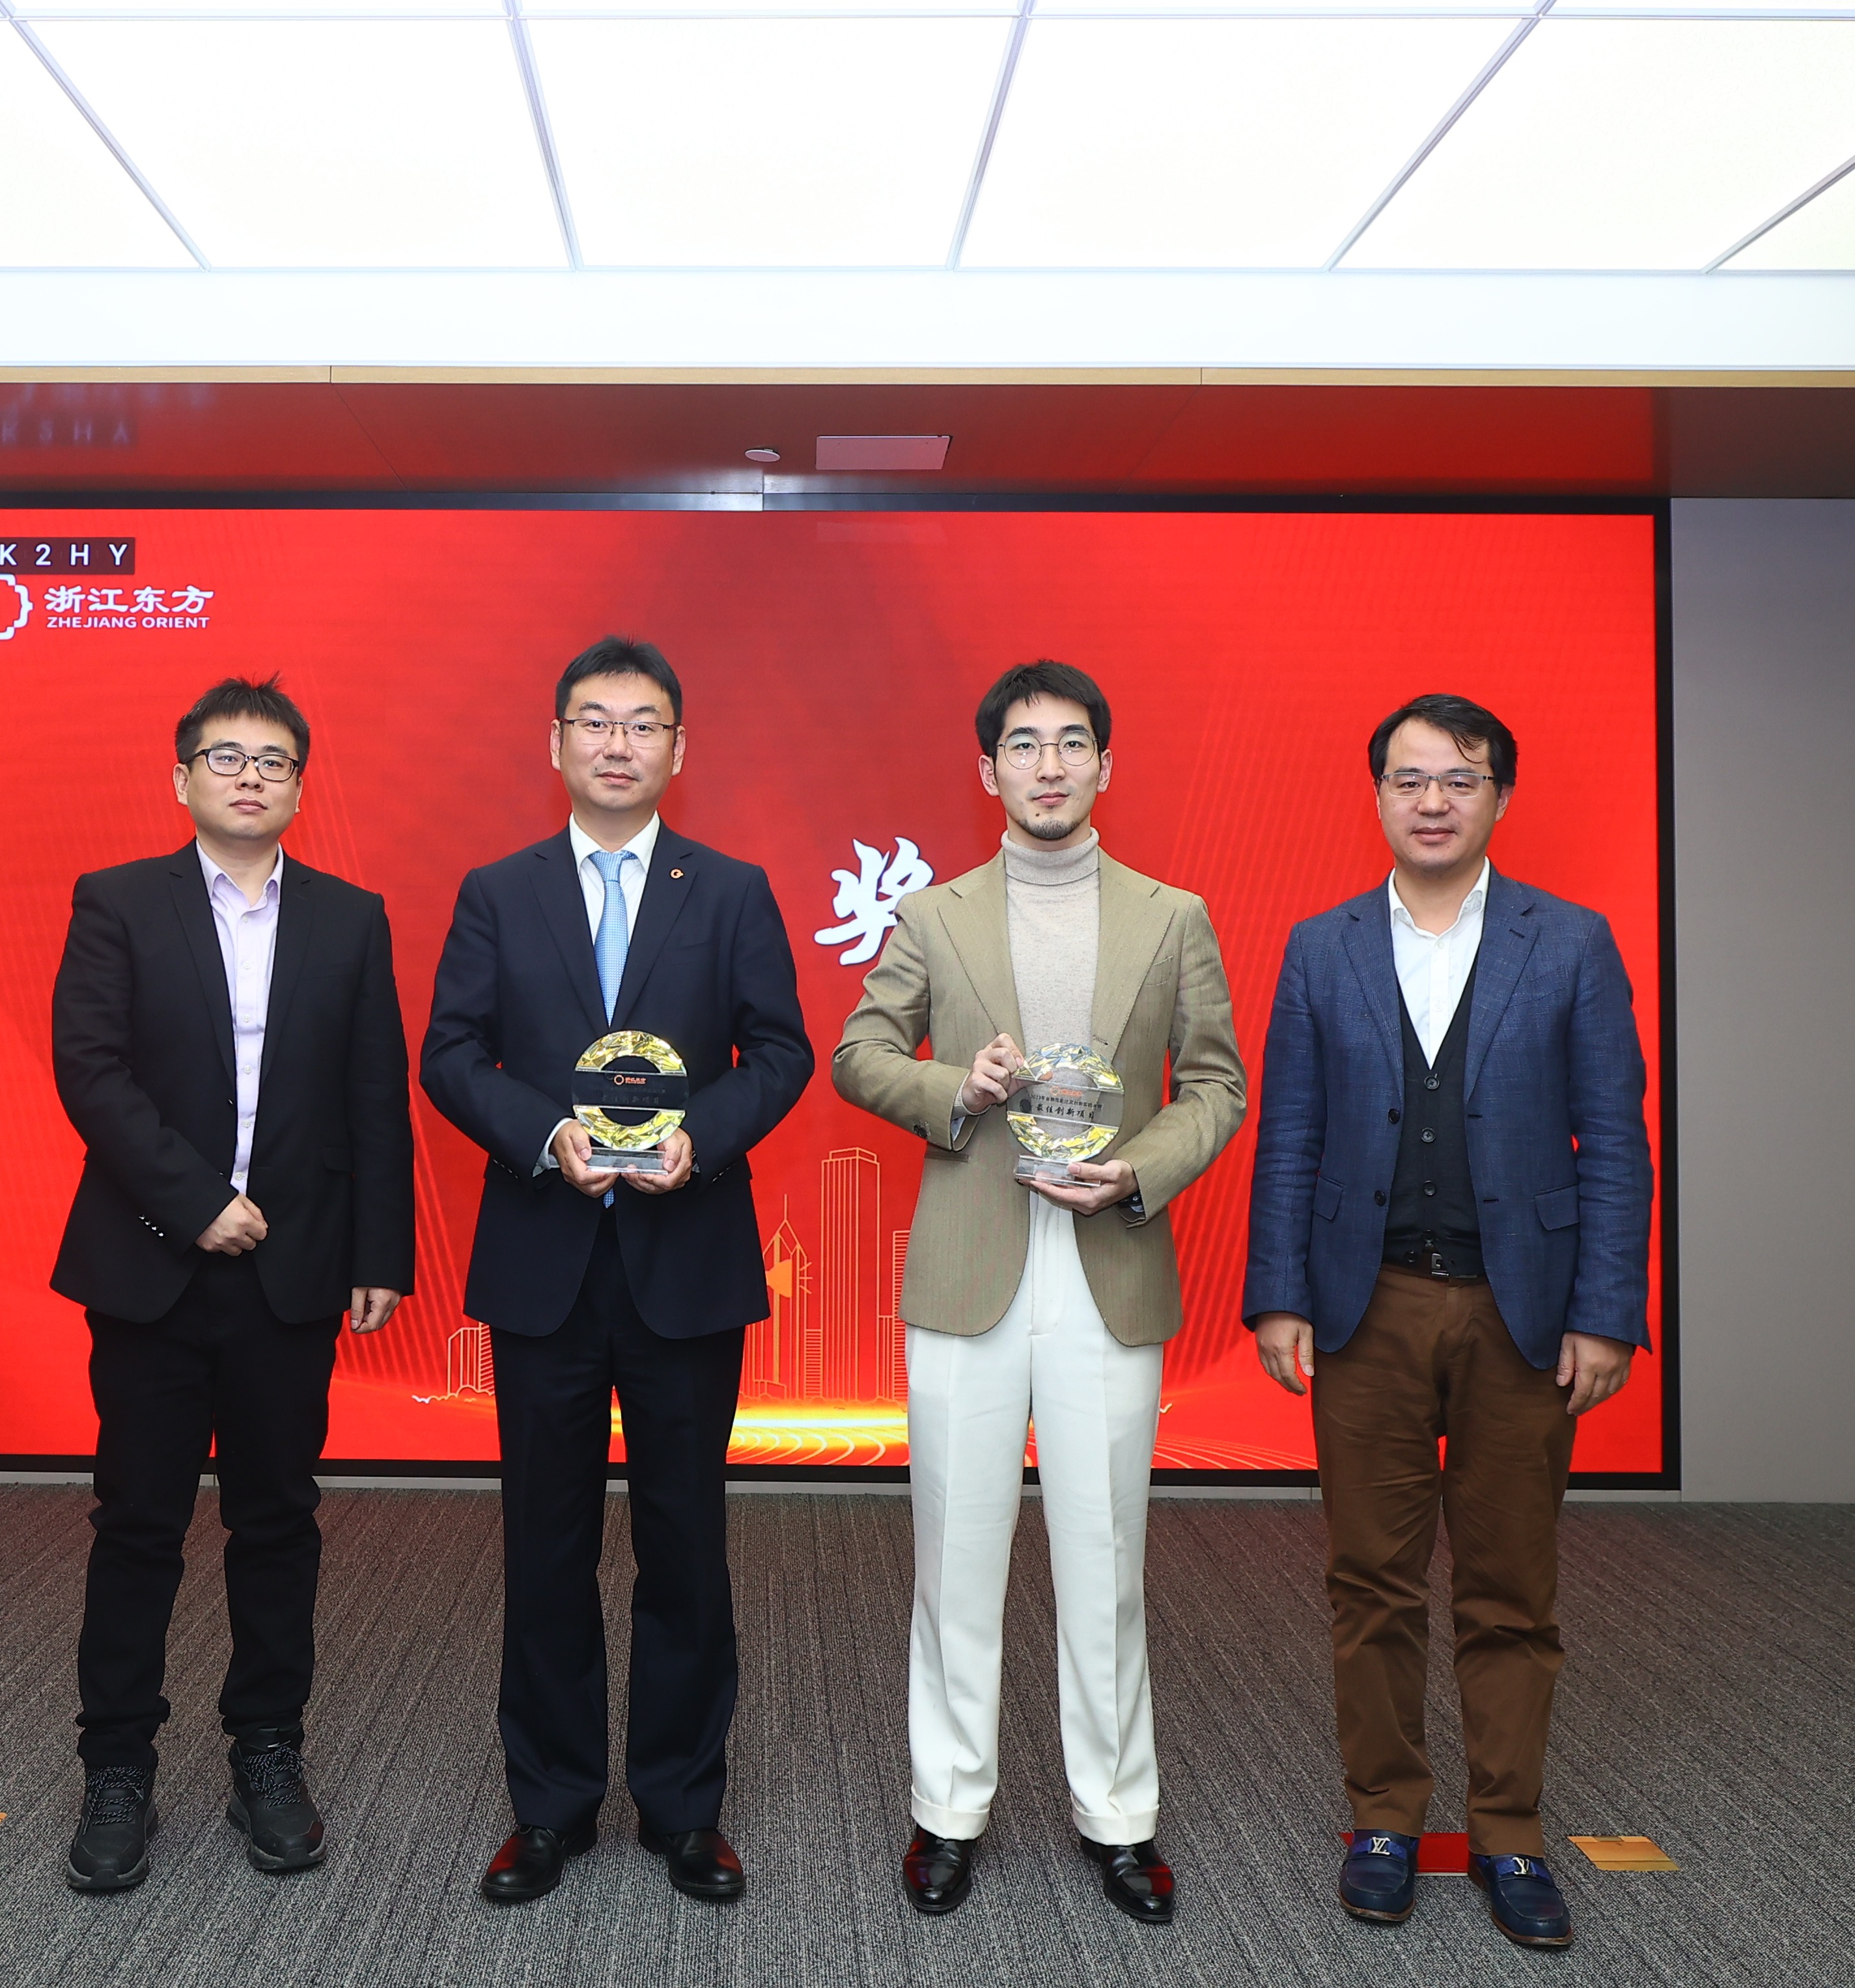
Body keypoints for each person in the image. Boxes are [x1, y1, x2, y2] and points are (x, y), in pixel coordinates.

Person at [835, 660, 1246, 1925]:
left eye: (1072, 743)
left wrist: (1142, 1170)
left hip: (1108, 1257)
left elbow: (1216, 1085)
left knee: (1104, 1559)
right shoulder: (934, 915)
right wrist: (955, 1088)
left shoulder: (1172, 915)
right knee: (955, 1556)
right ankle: (947, 1810)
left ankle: (1119, 1817)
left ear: (1105, 766)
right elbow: (859, 1053)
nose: (1050, 765)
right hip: (972, 1261)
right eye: (1024, 745)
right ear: (988, 770)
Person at [1243, 693, 1652, 1952]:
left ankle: (1508, 1829)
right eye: (1410, 778)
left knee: (1510, 1581)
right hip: (1367, 1306)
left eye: (1460, 779)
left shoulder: (1571, 942)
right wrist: (1279, 1292)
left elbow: (1615, 1141)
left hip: (1523, 1313)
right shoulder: (1321, 947)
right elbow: (1291, 1134)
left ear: (1499, 797)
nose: (1433, 800)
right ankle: (1383, 1817)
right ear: (1377, 794)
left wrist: (1606, 1313)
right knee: (1369, 1578)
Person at [421, 636, 813, 1907]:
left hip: (683, 1259)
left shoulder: (732, 890)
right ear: (556, 743)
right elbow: (451, 1052)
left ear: (677, 749)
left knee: (685, 1543)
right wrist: (546, 1134)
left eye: (643, 724)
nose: (616, 743)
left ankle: (685, 1807)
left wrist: (702, 1140)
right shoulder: (499, 890)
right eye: (593, 721)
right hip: (544, 1256)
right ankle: (549, 1806)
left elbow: (781, 1052)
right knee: (544, 1545)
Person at [50, 674, 415, 1895]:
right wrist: (194, 1199)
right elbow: (90, 1071)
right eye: (226, 756)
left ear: (300, 786)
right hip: (151, 1263)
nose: (250, 775)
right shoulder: (117, 901)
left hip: (293, 1273)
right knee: (137, 1523)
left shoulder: (350, 917)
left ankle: (268, 1748)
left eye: (274, 760)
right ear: (182, 777)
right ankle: (117, 1767)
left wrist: (379, 1251)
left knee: (278, 1520)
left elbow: (374, 1092)